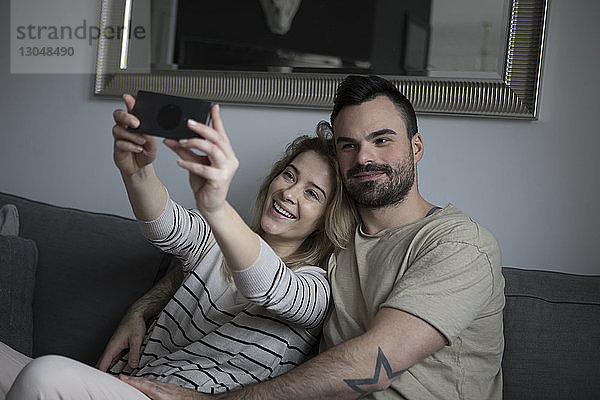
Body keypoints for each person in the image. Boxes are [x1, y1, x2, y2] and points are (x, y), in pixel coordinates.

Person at [114, 75, 505, 400]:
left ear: (415, 147)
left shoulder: (457, 243)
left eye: (382, 140)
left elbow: (373, 365)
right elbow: (208, 253)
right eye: (348, 145)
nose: (364, 157)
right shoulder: (339, 248)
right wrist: (146, 304)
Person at [0, 94, 354, 399]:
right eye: (289, 175)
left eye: (312, 193)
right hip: (124, 385)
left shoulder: (315, 288)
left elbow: (267, 286)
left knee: (46, 376)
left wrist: (216, 206)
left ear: (326, 218)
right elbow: (166, 225)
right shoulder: (213, 245)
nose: (289, 193)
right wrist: (137, 172)